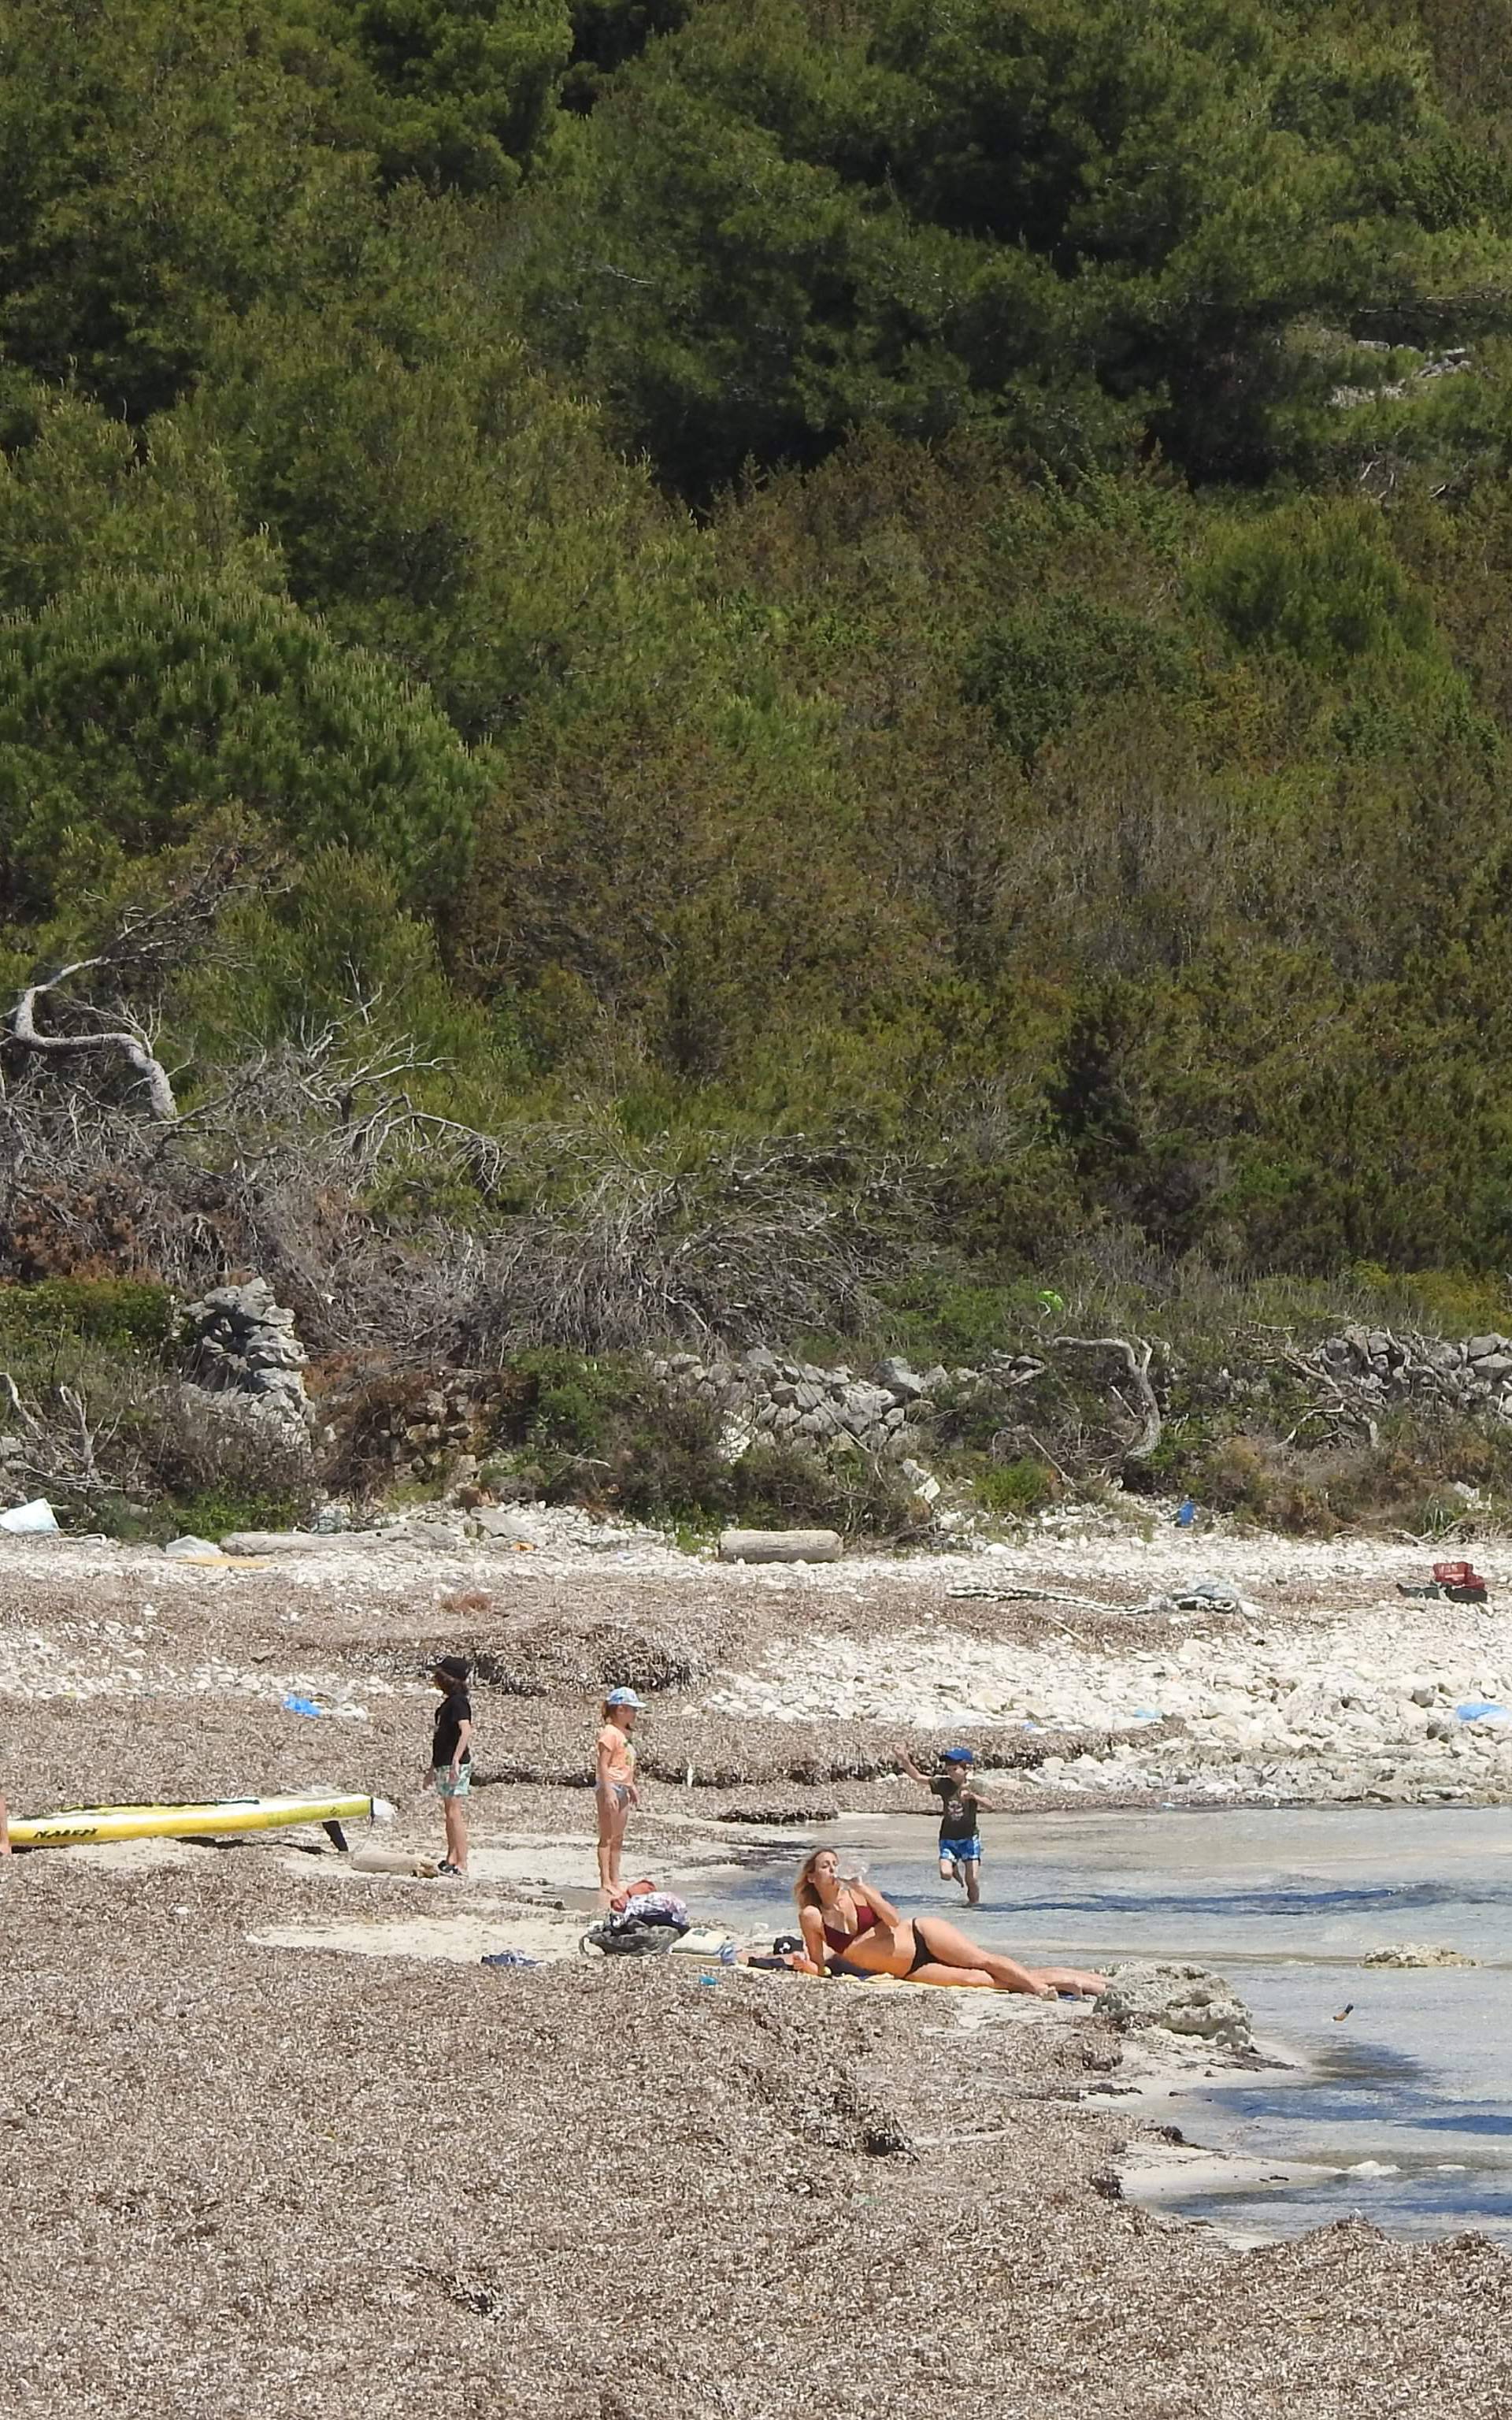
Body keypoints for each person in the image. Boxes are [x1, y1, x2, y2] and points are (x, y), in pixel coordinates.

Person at [793, 1847, 1105, 1996]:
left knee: (983, 1961)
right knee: (978, 1980)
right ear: (812, 1876)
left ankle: (1040, 1987)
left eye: (836, 1863)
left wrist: (860, 1886)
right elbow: (819, 1965)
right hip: (910, 1969)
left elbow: (892, 1918)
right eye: (825, 1866)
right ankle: (1076, 1981)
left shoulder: (860, 1892)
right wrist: (801, 1966)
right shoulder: (812, 1916)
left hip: (920, 1935)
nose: (833, 1869)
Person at [897, 1743, 1003, 1905]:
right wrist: (904, 1760)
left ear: (966, 1769)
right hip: (948, 1838)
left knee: (972, 1879)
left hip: (969, 1838)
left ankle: (973, 1908)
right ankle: (953, 1867)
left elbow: (991, 1805)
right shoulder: (944, 1784)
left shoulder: (976, 1786)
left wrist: (974, 1797)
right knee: (945, 1874)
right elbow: (919, 1777)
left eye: (954, 1769)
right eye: (948, 1770)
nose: (951, 1772)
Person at [421, 1654, 473, 1876]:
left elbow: (466, 1730)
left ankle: (462, 1862)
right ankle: (451, 1856)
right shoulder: (446, 1705)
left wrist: (455, 1759)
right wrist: (432, 1769)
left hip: (455, 1764)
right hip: (443, 1763)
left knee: (454, 1812)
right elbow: (440, 1738)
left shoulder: (460, 1703)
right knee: (448, 1812)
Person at [595, 1687, 644, 1897]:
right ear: (621, 1709)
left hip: (623, 1786)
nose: (635, 1714)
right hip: (611, 1786)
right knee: (607, 1836)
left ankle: (616, 1878)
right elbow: (603, 1765)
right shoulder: (609, 1733)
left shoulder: (624, 1734)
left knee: (618, 1836)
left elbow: (625, 1763)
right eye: (632, 1709)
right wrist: (608, 1791)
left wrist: (631, 1785)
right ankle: (605, 1880)